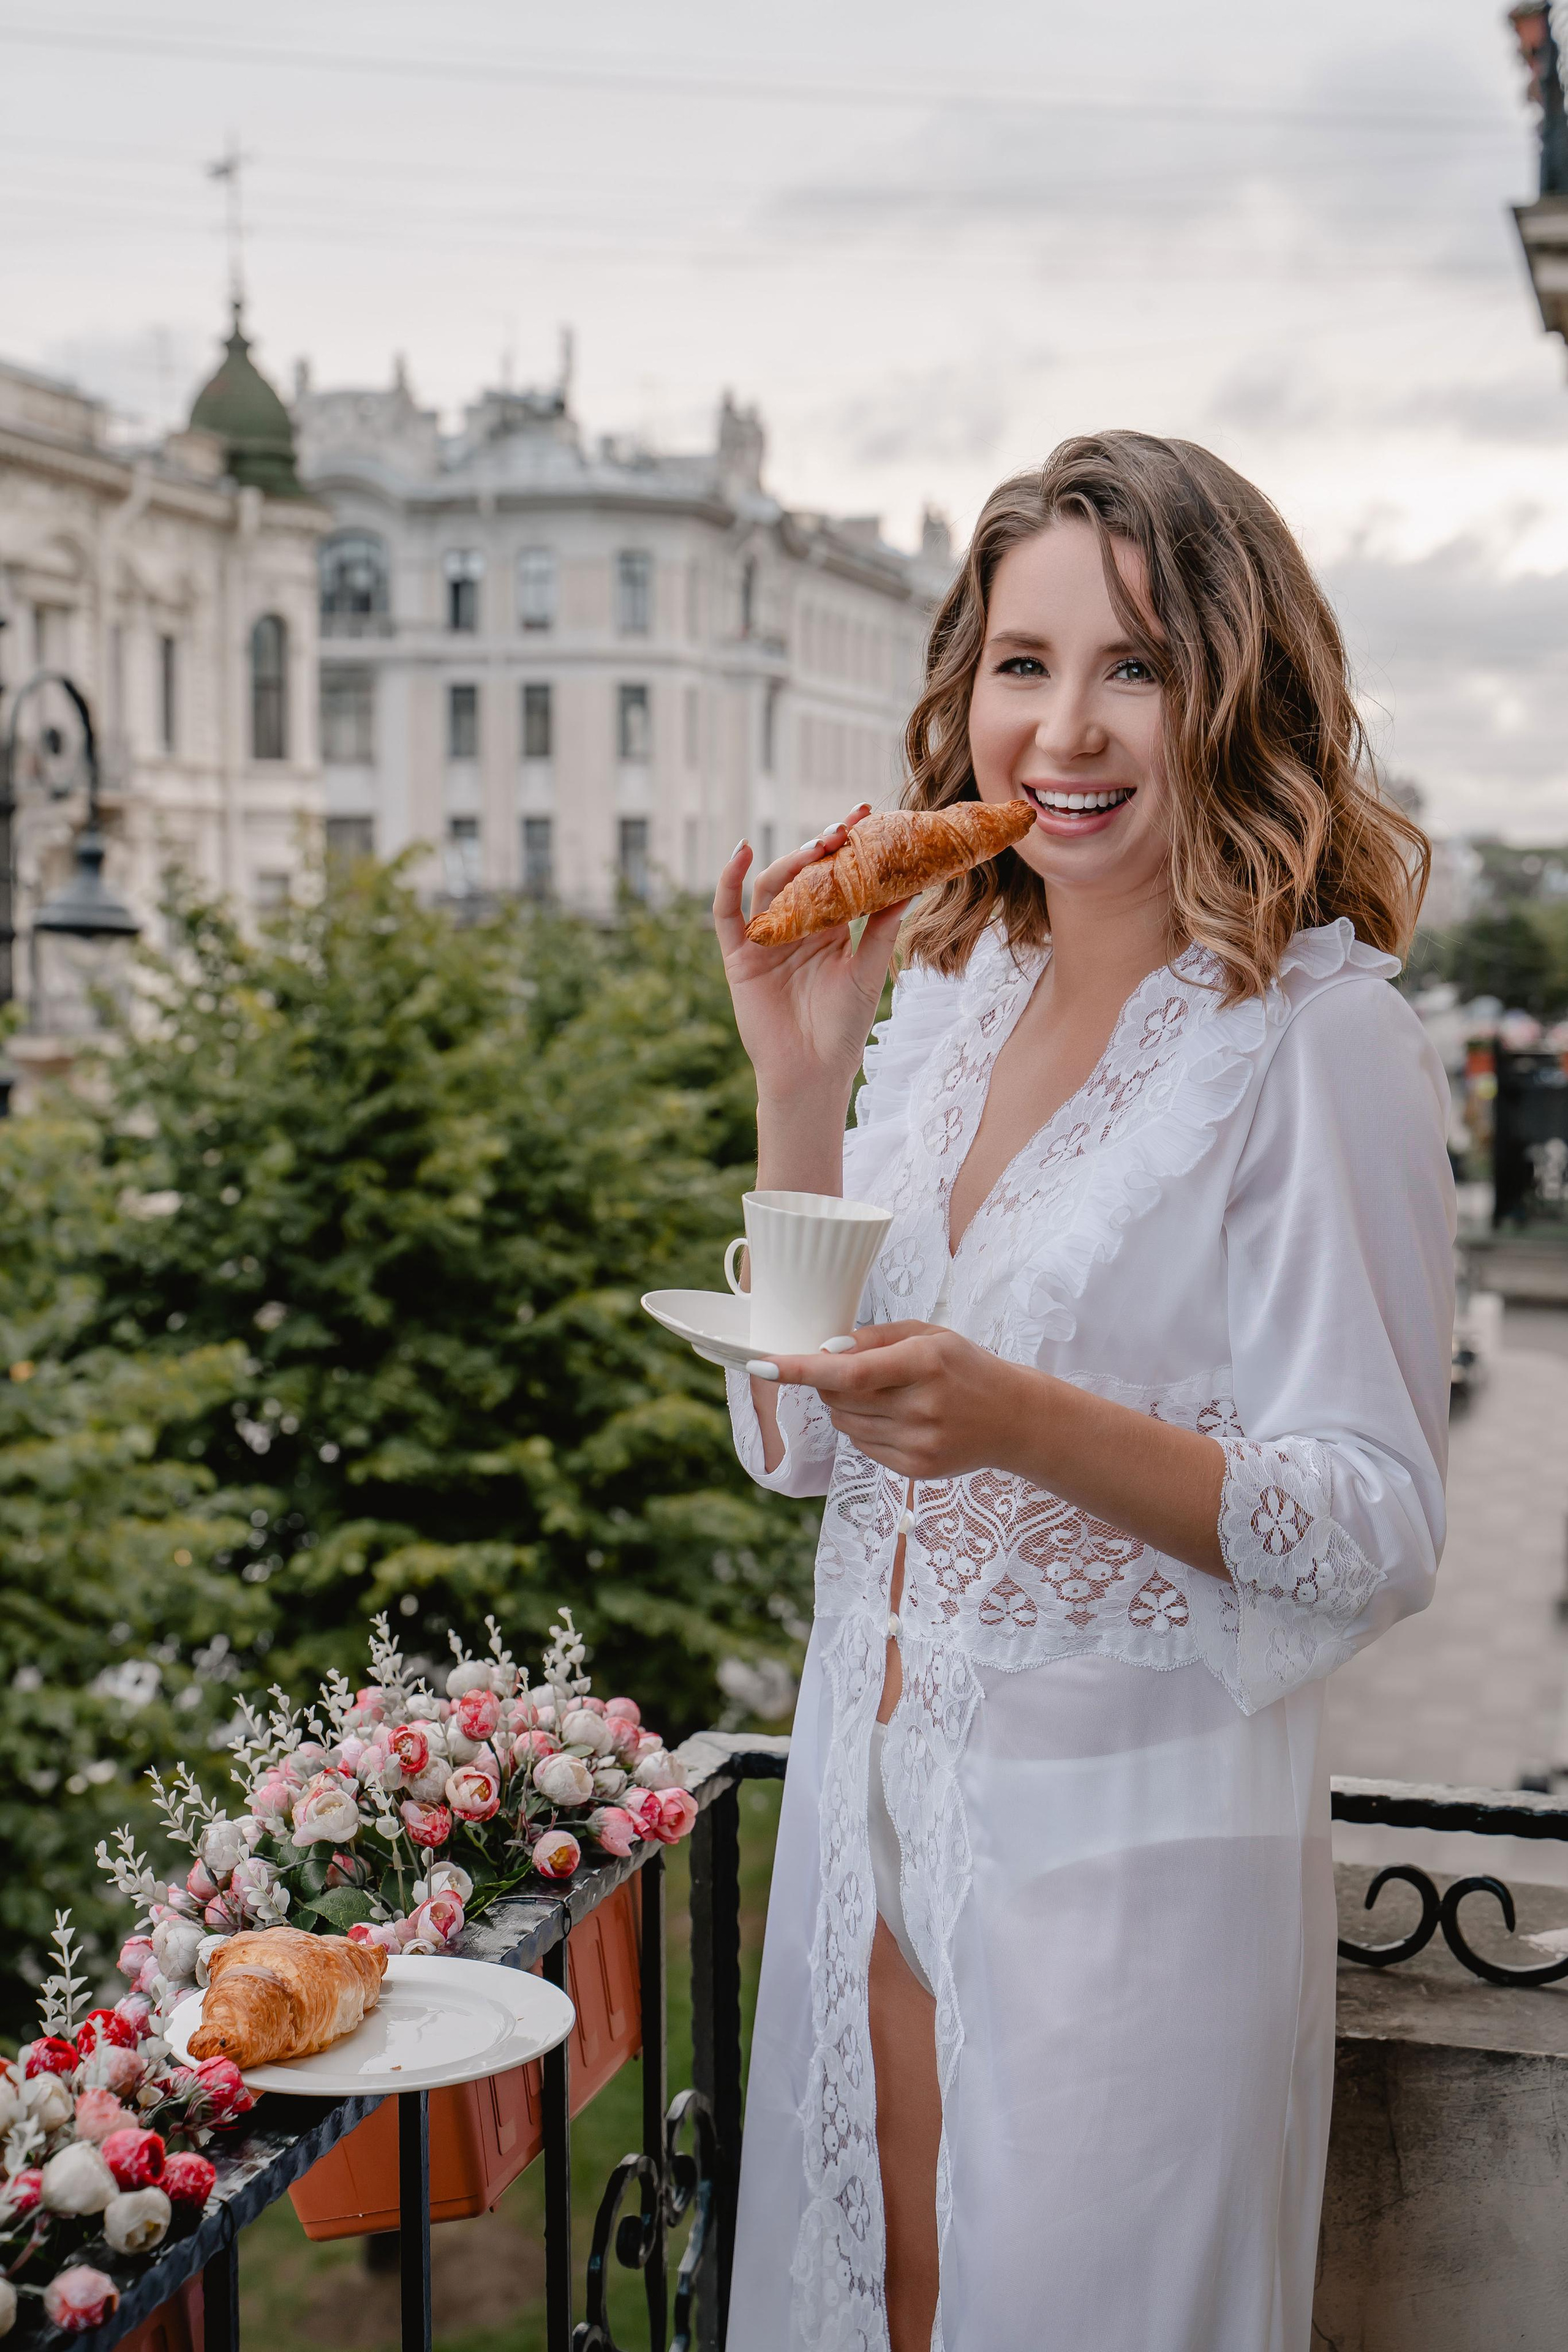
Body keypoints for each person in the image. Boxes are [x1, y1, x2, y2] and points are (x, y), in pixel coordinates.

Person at [710, 432, 1453, 2352]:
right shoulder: (949, 1012)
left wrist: (1024, 1419)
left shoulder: (1319, 1042)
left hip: (1128, 1867)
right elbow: (796, 1440)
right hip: (864, 1830)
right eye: (1022, 664)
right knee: (874, 2307)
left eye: (1136, 666)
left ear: (1238, 692)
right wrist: (803, 1081)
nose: (1065, 729)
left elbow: (1376, 1522)